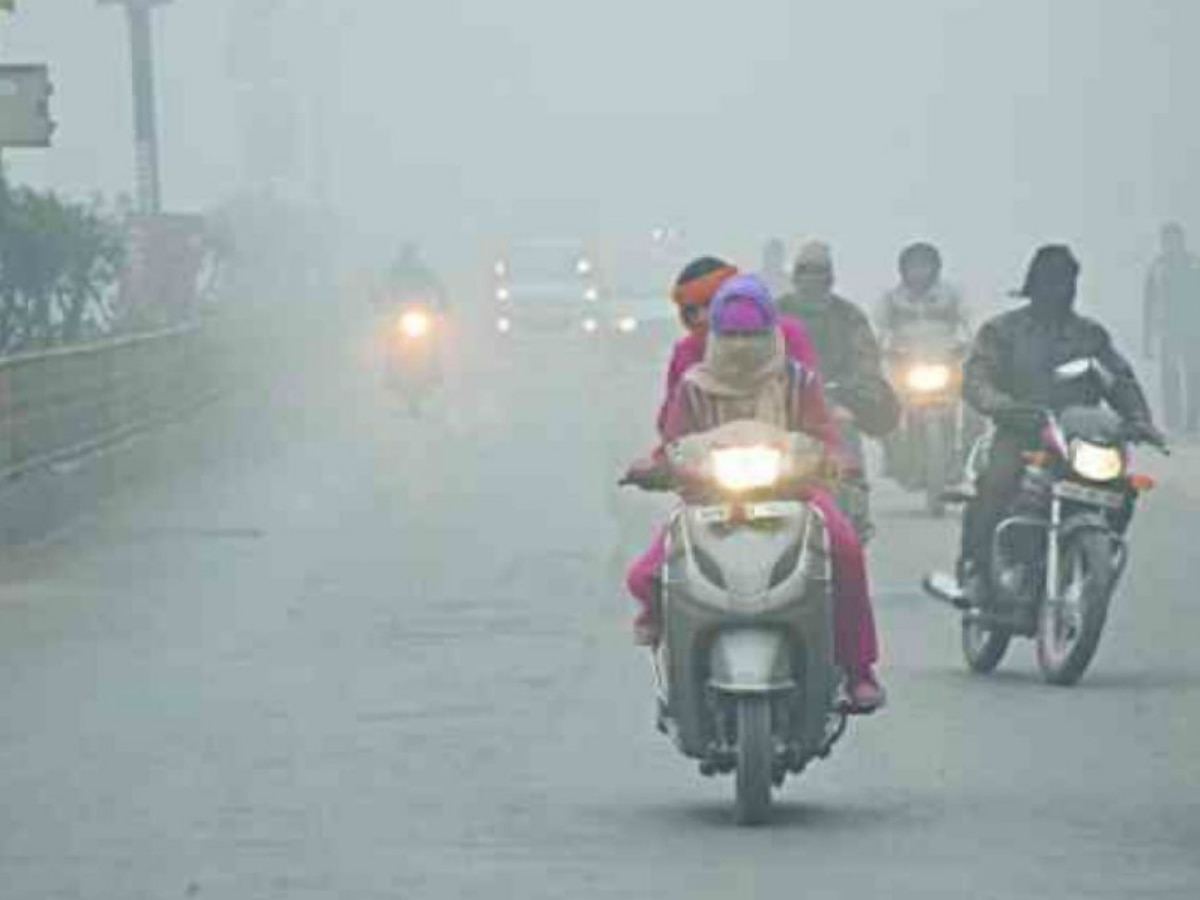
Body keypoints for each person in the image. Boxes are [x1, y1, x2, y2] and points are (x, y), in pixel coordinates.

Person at [627, 274, 885, 713]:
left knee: (844, 552)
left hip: (794, 493)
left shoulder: (799, 381)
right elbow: (673, 440)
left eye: (752, 334)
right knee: (644, 574)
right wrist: (656, 465)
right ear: (715, 335)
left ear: (771, 334)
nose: (743, 345)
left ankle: (858, 670)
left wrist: (837, 461)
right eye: (732, 335)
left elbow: (822, 433)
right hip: (708, 498)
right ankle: (674, 645)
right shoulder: (694, 385)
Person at [959, 245, 1162, 592]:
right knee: (997, 483)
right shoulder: (1002, 331)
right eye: (1051, 281)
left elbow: (1119, 379)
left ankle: (1097, 561)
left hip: (1081, 440)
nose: (1060, 290)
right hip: (1021, 431)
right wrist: (1003, 405)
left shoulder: (1090, 336)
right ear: (1034, 284)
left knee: (1122, 490)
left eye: (1067, 281)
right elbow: (977, 379)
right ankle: (976, 569)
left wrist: (1139, 419)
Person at [1144, 222, 1200, 434]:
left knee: (1194, 376)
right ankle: (1173, 421)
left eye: (1174, 240)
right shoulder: (1157, 267)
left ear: (1181, 241)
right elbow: (1149, 304)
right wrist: (1147, 339)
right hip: (1168, 330)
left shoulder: (1194, 264)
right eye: (1167, 241)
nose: (1170, 245)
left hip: (1193, 329)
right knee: (1170, 377)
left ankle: (1193, 420)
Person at [875, 242, 969, 347]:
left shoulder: (951, 296)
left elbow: (969, 325)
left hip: (947, 355)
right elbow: (878, 329)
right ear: (903, 269)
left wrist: (968, 345)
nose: (918, 271)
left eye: (924, 266)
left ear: (935, 268)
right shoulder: (892, 299)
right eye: (913, 266)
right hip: (901, 356)